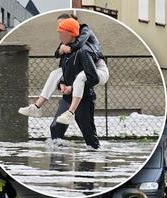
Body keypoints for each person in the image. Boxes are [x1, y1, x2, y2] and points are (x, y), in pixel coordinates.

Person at [18, 13, 109, 123]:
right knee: (55, 73)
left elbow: (79, 45)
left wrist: (72, 87)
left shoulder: (84, 32)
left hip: (96, 67)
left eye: (63, 25)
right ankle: (36, 107)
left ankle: (70, 113)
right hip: (82, 70)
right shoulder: (67, 40)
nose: (60, 29)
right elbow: (59, 56)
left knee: (81, 77)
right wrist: (62, 81)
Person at [48, 18, 101, 149]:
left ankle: (93, 159)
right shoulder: (65, 52)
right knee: (56, 127)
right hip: (67, 98)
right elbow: (63, 73)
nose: (59, 36)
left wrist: (73, 88)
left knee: (88, 134)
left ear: (70, 33)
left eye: (61, 32)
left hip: (84, 98)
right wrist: (61, 84)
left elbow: (93, 78)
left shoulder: (84, 51)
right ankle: (57, 165)